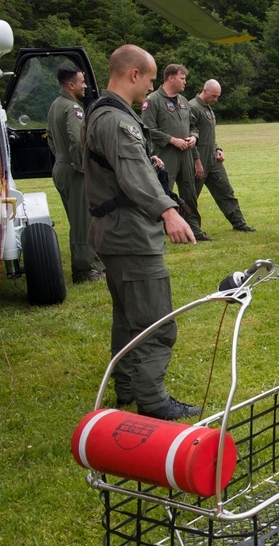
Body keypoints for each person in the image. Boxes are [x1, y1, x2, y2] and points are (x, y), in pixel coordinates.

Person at [83, 44, 198, 420]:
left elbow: (120, 166)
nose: (149, 88)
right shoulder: (118, 120)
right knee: (154, 320)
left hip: (112, 233)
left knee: (128, 316)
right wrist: (169, 211)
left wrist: (148, 160)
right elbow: (132, 175)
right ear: (134, 75)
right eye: (149, 81)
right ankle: (153, 400)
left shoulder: (100, 112)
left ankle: (129, 387)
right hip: (131, 235)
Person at [46, 65, 105, 283]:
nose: (85, 86)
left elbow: (50, 137)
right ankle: (85, 270)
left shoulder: (55, 105)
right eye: (82, 82)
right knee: (82, 221)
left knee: (77, 218)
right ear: (71, 85)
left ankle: (91, 263)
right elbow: (77, 139)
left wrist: (62, 158)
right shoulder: (72, 108)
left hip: (62, 165)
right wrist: (84, 167)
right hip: (74, 169)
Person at [141, 63, 211, 241]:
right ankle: (158, 233)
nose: (185, 82)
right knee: (163, 193)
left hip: (186, 154)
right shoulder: (153, 100)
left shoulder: (183, 101)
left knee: (190, 192)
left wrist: (194, 138)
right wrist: (172, 140)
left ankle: (194, 230)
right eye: (182, 78)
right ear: (171, 78)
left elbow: (193, 126)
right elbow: (148, 129)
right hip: (165, 156)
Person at [188, 79, 255, 232]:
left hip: (213, 159)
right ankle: (186, 228)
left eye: (218, 96)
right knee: (191, 197)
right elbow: (189, 134)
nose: (216, 100)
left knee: (225, 191)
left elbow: (208, 134)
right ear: (204, 91)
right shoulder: (192, 107)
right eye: (214, 96)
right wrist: (196, 160)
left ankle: (239, 223)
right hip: (198, 160)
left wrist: (218, 148)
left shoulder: (208, 108)